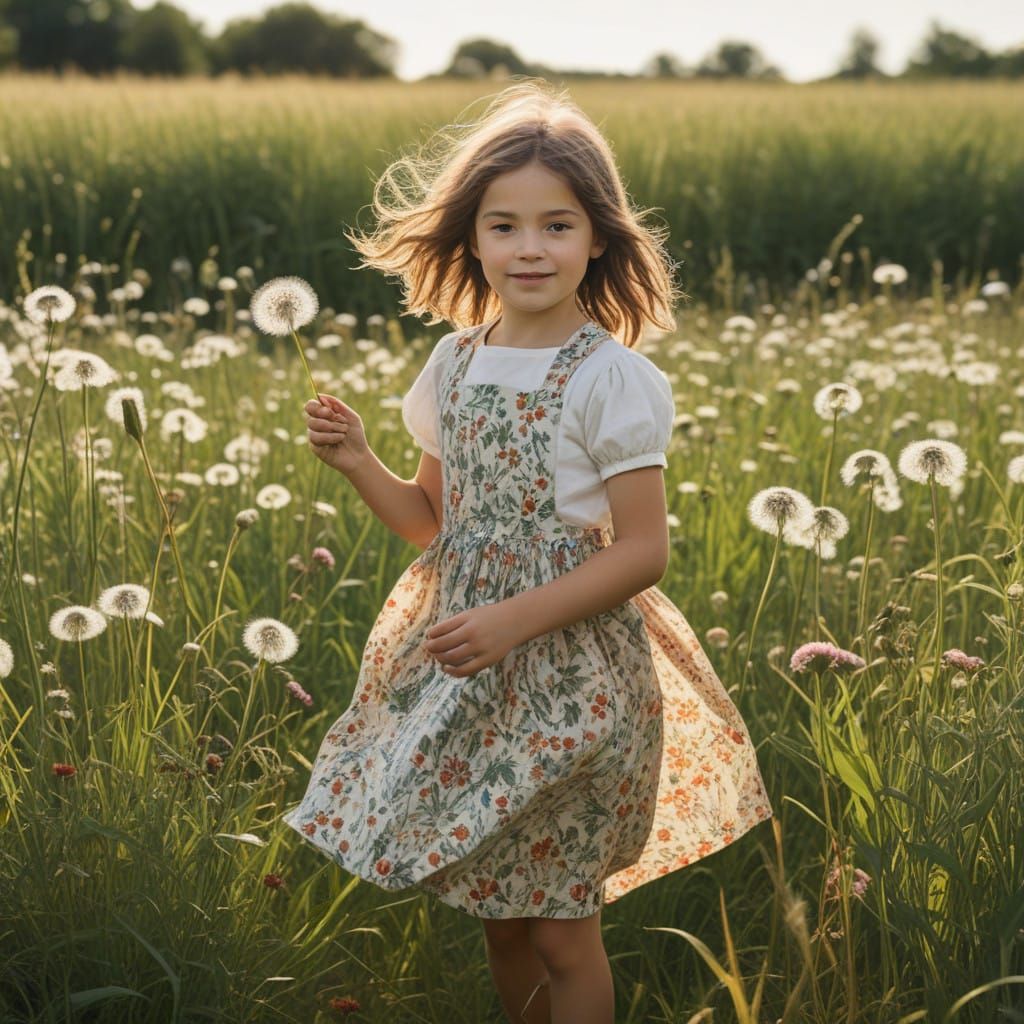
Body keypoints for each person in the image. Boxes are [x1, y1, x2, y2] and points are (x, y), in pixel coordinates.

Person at [281, 79, 773, 1024]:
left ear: (598, 238)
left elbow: (643, 552)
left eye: (557, 225)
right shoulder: (453, 363)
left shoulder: (611, 378)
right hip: (470, 675)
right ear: (472, 239)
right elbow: (434, 524)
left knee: (559, 928)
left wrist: (513, 620)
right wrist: (359, 463)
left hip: (576, 681)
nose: (530, 248)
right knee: (501, 920)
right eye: (504, 226)